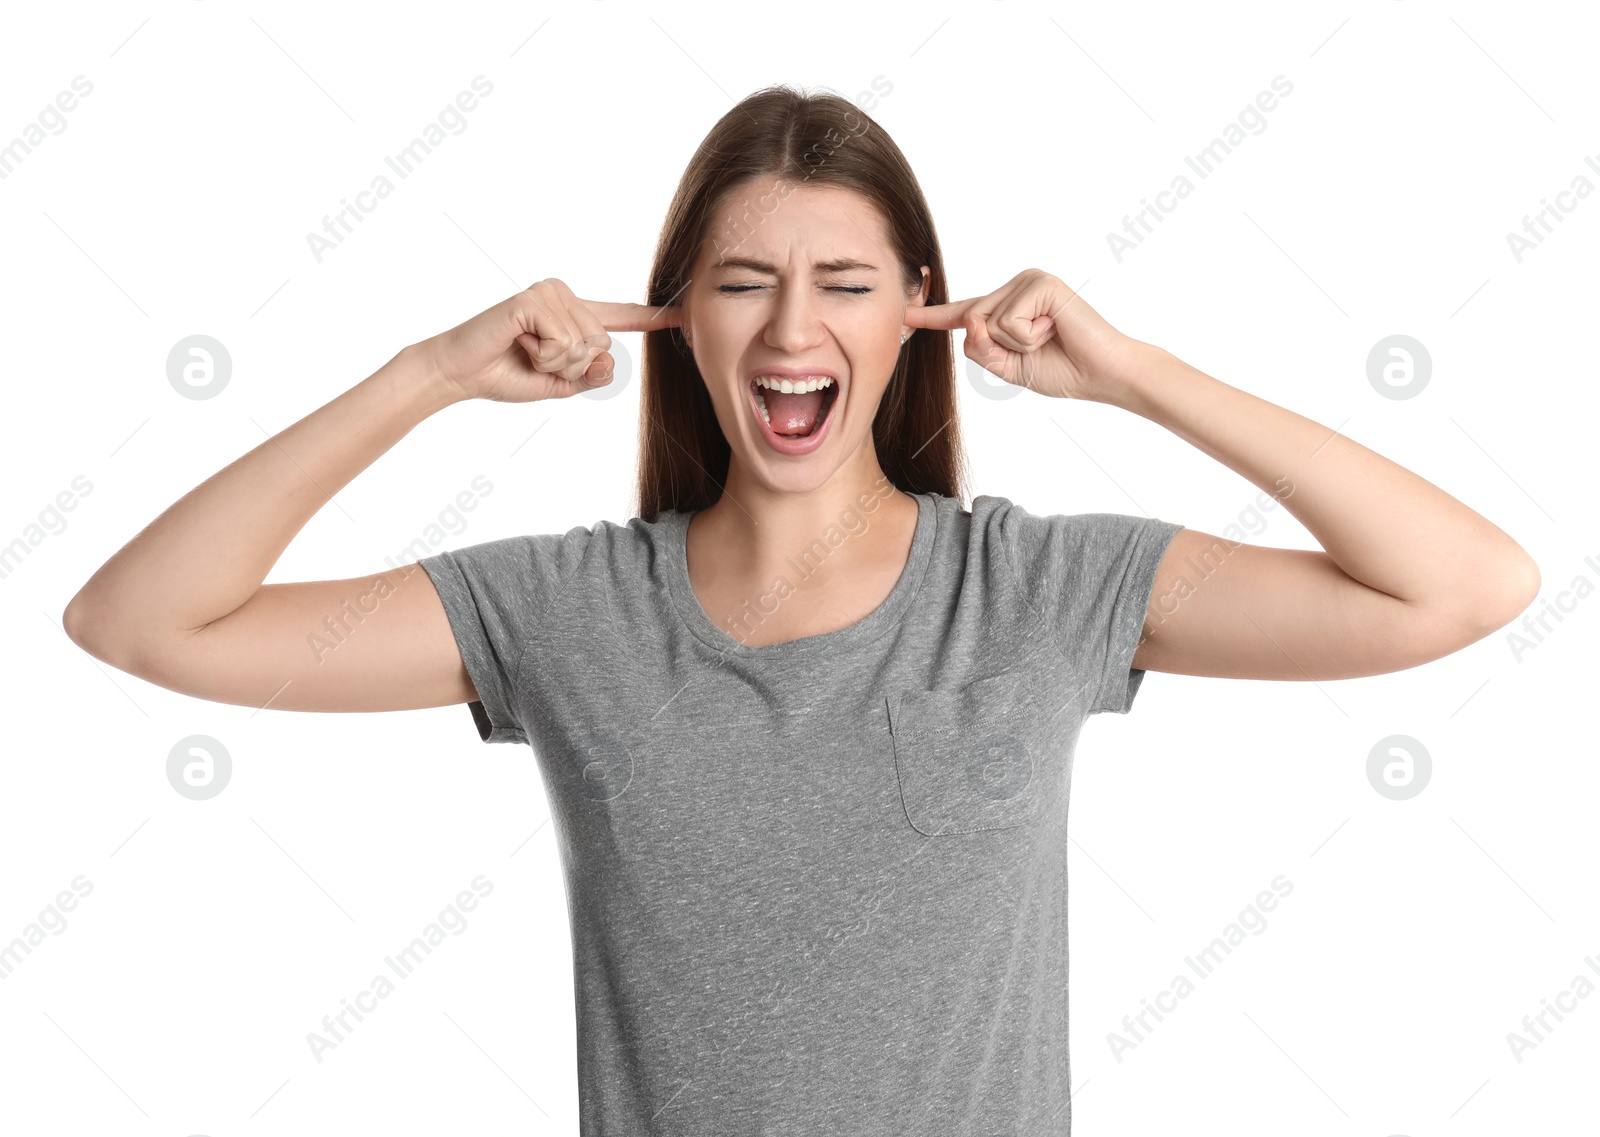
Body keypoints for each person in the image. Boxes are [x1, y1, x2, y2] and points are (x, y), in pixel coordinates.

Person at [63, 84, 1538, 1133]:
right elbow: (144, 621)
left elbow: (1464, 585)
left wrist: (1132, 370)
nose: (790, 330)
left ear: (919, 311)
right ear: (674, 317)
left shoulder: (1036, 589)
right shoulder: (570, 610)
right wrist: (430, 374)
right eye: (742, 284)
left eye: (843, 284)